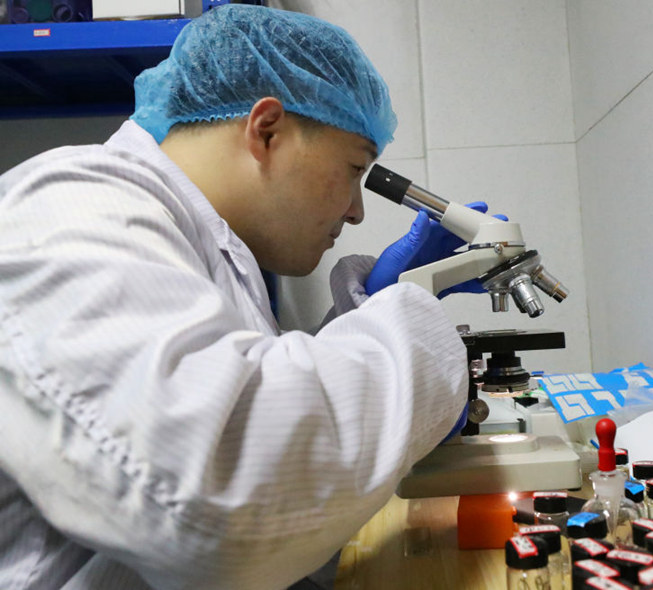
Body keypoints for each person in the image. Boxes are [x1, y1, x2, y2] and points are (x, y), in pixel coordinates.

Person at [0, 5, 488, 589]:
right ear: (267, 130)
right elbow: (217, 502)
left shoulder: (200, 242)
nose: (357, 211)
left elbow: (253, 401)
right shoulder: (73, 209)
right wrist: (417, 341)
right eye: (355, 168)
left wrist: (370, 306)